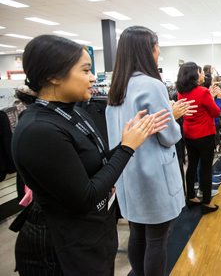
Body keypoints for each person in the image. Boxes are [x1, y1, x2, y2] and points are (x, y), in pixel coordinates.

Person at [12, 34, 168, 275]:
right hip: (63, 249)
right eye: (85, 70)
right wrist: (126, 148)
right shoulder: (39, 130)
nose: (93, 77)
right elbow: (86, 196)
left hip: (91, 237)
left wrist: (133, 138)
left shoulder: (73, 113)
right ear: (53, 76)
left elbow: (96, 164)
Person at [106, 26, 185, 276]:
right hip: (154, 175)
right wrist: (174, 117)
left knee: (137, 232)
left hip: (127, 173)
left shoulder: (117, 87)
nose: (159, 51)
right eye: (157, 45)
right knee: (157, 240)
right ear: (148, 49)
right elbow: (169, 135)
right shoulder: (151, 85)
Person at [177, 62, 221, 214]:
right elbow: (216, 112)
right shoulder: (203, 92)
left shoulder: (180, 92)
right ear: (194, 75)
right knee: (206, 168)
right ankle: (206, 202)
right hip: (205, 134)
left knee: (192, 165)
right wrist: (213, 97)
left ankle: (191, 197)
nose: (203, 75)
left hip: (189, 134)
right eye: (200, 72)